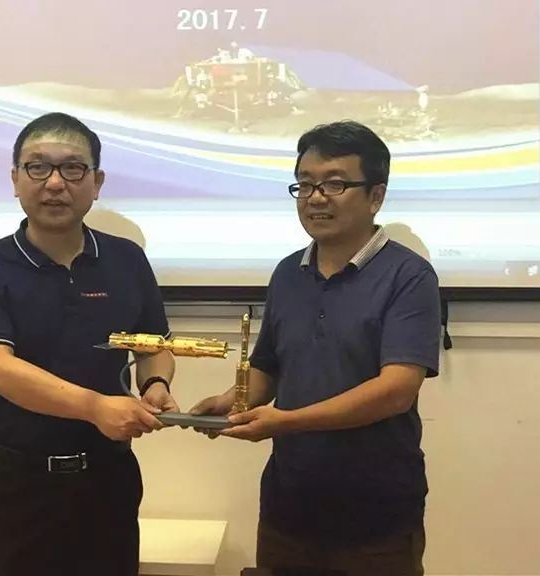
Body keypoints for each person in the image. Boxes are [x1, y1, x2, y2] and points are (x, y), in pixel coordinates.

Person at [192, 120, 440, 576]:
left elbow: (397, 390)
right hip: (288, 507)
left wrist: (287, 422)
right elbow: (269, 365)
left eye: (335, 184)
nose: (316, 198)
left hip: (376, 512)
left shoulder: (409, 276)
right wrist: (232, 401)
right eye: (304, 184)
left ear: (376, 196)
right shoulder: (288, 273)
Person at [0, 112, 178, 576]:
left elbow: (153, 345)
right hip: (17, 484)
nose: (55, 183)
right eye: (38, 167)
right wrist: (96, 407)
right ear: (15, 179)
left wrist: (155, 384)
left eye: (73, 168)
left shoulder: (127, 259)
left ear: (97, 182)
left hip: (109, 478)